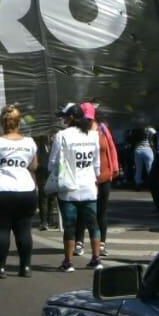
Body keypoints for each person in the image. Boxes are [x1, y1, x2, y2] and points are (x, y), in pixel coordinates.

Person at [0, 104, 38, 278]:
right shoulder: (30, 142)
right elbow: (34, 166)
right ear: (19, 122)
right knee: (24, 229)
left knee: (2, 228)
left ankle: (0, 267)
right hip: (26, 189)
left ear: (2, 123)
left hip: (1, 189)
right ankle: (25, 267)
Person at [49, 103, 102, 272]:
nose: (63, 119)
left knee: (70, 225)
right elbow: (96, 164)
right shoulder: (93, 135)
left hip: (68, 188)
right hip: (89, 186)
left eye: (65, 116)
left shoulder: (62, 135)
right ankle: (96, 258)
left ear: (71, 117)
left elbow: (52, 163)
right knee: (93, 224)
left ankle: (68, 262)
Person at [86, 105, 120, 255]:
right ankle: (83, 242)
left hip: (104, 175)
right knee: (88, 212)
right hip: (87, 178)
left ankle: (102, 244)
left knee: (102, 211)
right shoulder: (81, 132)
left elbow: (111, 148)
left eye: (89, 117)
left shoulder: (103, 129)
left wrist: (115, 168)